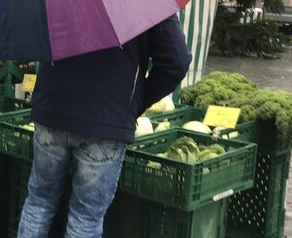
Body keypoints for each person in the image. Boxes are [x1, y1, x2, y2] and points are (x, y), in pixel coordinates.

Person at [17, 14, 192, 238]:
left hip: (52, 107)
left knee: (39, 202)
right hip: (107, 119)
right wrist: (136, 103)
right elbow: (176, 63)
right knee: (85, 217)